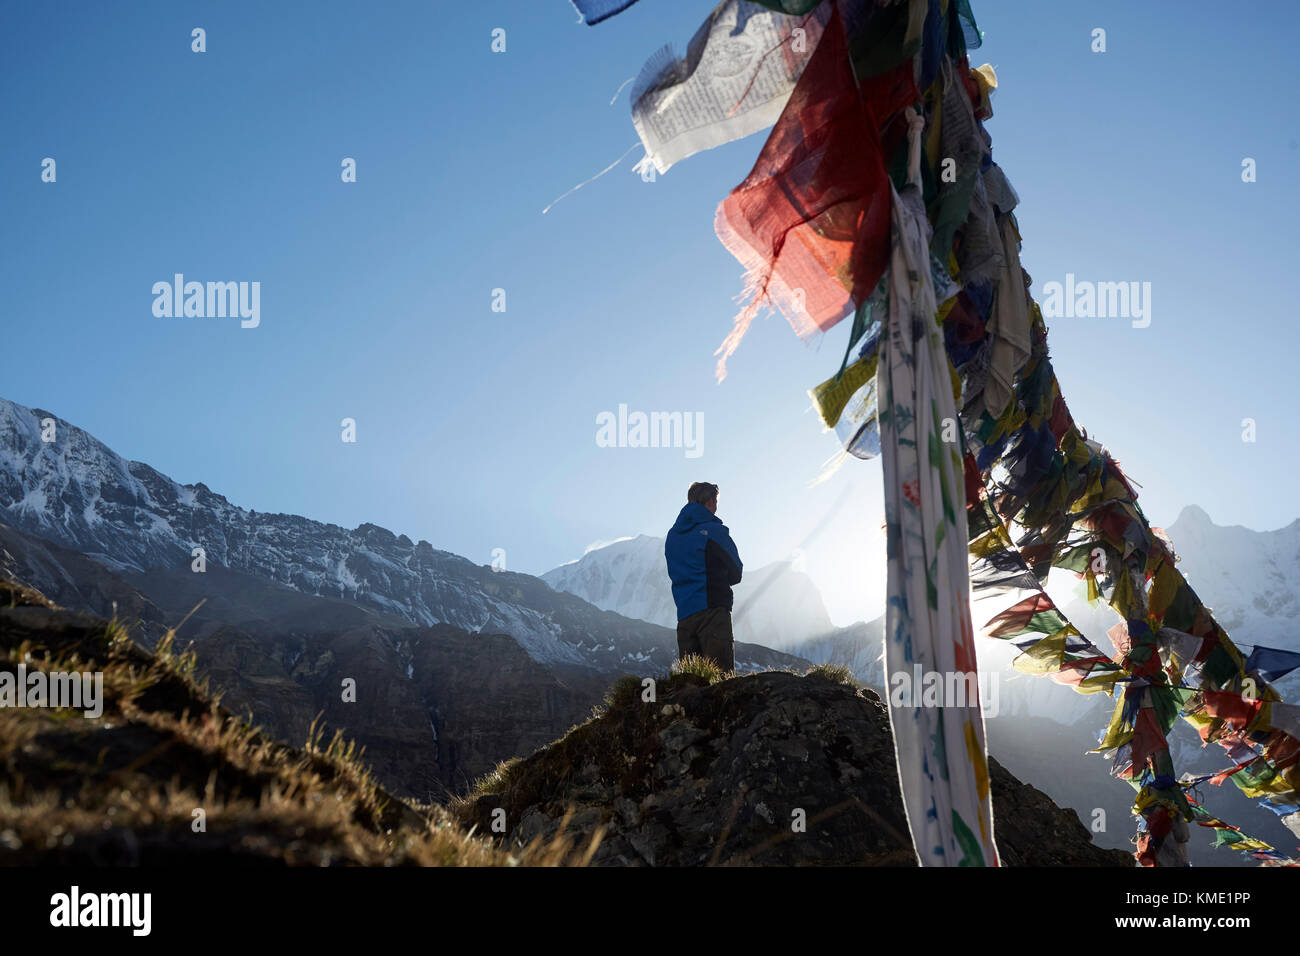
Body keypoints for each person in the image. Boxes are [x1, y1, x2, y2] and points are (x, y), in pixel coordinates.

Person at [664, 481, 742, 671]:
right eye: (716, 501)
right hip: (713, 612)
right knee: (720, 682)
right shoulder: (714, 531)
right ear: (710, 501)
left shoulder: (672, 536)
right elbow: (736, 571)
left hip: (685, 617)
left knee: (691, 686)